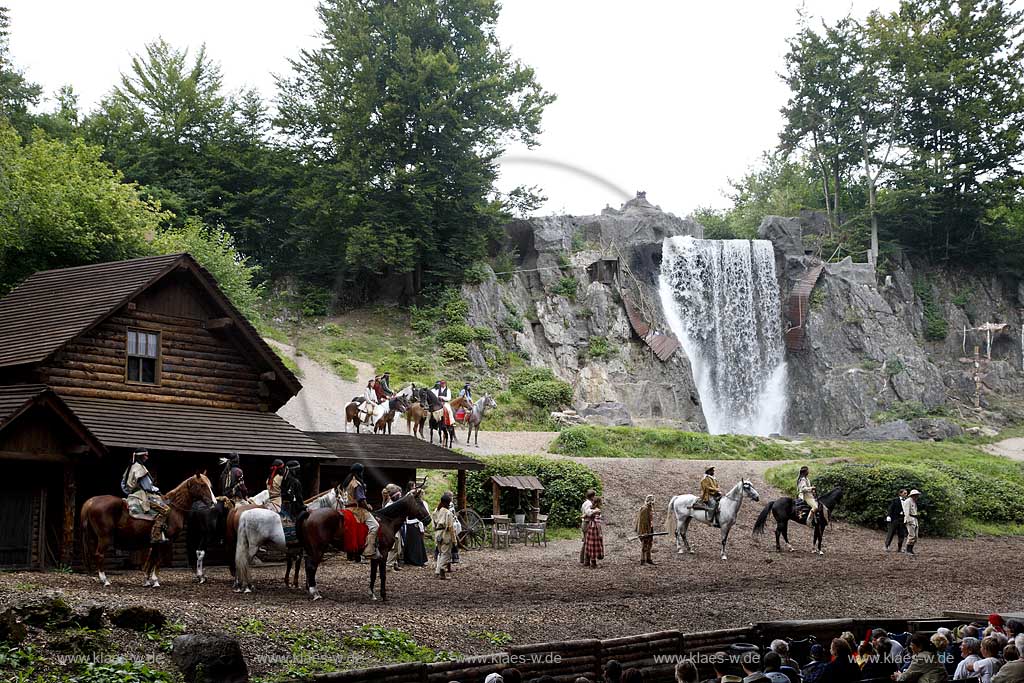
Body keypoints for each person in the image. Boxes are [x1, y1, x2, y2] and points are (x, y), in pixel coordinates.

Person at [123, 448, 170, 544]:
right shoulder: (140, 469)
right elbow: (148, 487)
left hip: (131, 495)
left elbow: (123, 485)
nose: (147, 457)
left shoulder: (130, 467)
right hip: (142, 495)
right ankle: (156, 535)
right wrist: (157, 490)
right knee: (166, 510)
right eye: (145, 455)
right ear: (140, 456)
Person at [343, 463, 379, 558]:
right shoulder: (357, 484)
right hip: (357, 510)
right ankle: (369, 551)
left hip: (346, 509)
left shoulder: (347, 482)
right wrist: (368, 507)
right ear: (360, 472)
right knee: (375, 526)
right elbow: (361, 500)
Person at [403, 480, 428, 567]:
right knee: (414, 542)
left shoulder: (412, 496)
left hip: (414, 522)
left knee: (417, 542)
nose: (415, 488)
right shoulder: (409, 496)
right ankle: (414, 560)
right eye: (413, 486)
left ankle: (417, 559)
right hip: (412, 522)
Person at [432, 491, 457, 579]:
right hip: (445, 534)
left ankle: (438, 570)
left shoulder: (436, 511)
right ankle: (442, 570)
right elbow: (450, 527)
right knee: (445, 554)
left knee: (440, 553)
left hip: (437, 533)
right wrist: (454, 540)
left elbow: (433, 524)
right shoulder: (448, 513)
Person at [383, 483, 404, 570]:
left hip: (396, 528)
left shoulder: (395, 505)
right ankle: (389, 566)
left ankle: (394, 563)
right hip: (391, 529)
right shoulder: (389, 505)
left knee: (398, 547)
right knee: (393, 547)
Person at [582, 496, 604, 568]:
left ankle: (587, 561)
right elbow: (597, 522)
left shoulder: (590, 509)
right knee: (594, 545)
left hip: (589, 528)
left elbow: (583, 516)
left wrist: (589, 515)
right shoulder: (598, 510)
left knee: (589, 544)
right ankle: (593, 563)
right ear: (598, 503)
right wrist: (600, 533)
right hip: (595, 529)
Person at [634, 494, 657, 565]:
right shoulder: (644, 509)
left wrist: (650, 528)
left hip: (649, 528)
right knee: (644, 544)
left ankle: (648, 559)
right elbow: (642, 522)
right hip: (644, 530)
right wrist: (644, 532)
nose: (652, 503)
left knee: (649, 544)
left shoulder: (649, 508)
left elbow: (649, 520)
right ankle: (642, 560)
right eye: (651, 501)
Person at [580, 489, 597, 564]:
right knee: (588, 542)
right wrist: (596, 511)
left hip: (585, 523)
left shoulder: (585, 503)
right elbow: (588, 513)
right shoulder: (589, 504)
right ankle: (586, 560)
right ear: (592, 496)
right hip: (587, 523)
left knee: (586, 542)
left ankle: (583, 559)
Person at [903, 490, 921, 555]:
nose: (917, 496)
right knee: (911, 535)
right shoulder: (908, 501)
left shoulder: (914, 502)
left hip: (914, 519)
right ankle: (908, 550)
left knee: (915, 536)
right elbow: (906, 512)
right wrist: (908, 520)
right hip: (910, 519)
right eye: (916, 495)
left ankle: (911, 549)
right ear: (913, 495)